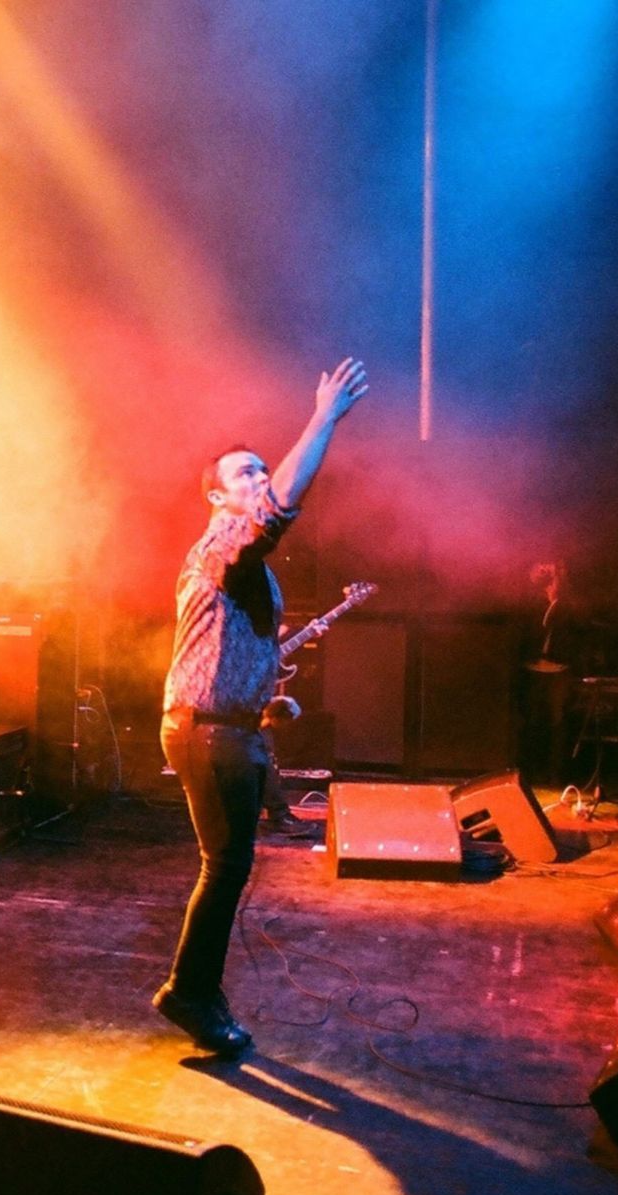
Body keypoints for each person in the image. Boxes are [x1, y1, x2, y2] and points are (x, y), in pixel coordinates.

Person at [155, 357, 368, 1055]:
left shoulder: (248, 566)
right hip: (204, 733)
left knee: (230, 864)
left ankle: (199, 990)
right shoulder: (221, 543)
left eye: (258, 468)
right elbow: (278, 509)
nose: (257, 479)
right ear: (217, 499)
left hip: (230, 729)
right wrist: (324, 417)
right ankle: (189, 993)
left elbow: (236, 652)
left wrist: (266, 703)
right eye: (243, 474)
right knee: (226, 866)